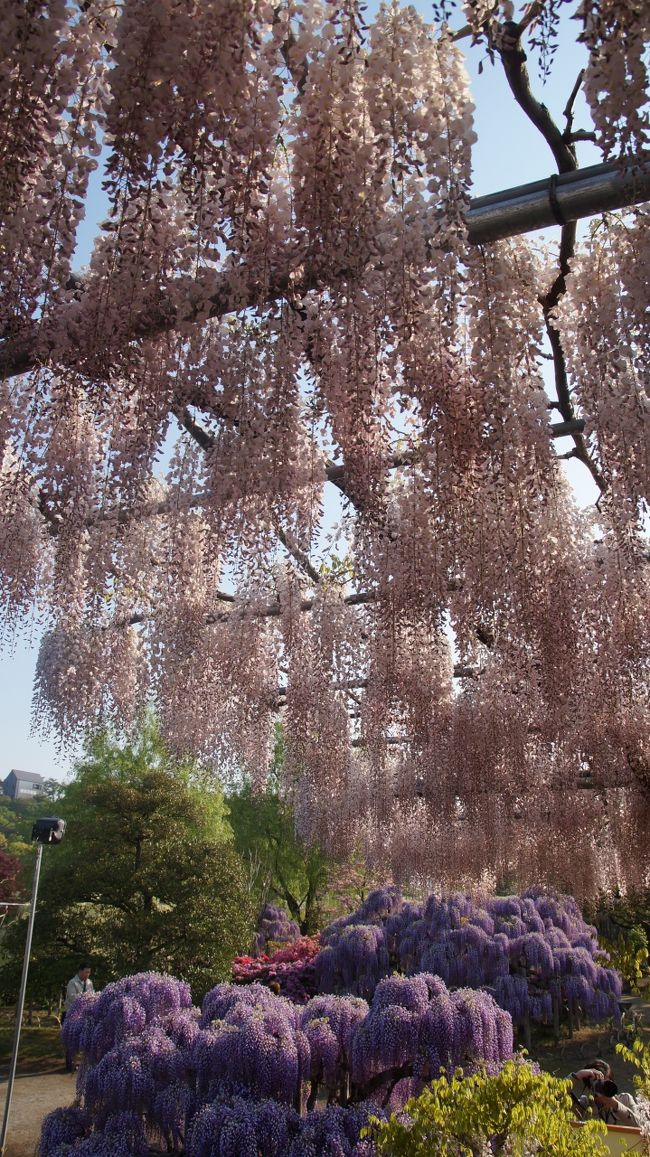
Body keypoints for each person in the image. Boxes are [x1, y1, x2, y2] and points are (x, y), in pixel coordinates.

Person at [570, 1068, 640, 1127]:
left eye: (607, 1084)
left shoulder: (625, 1099)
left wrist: (616, 1105)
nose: (604, 1089)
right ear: (590, 1088)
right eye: (600, 1084)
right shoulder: (583, 1105)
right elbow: (559, 1098)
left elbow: (640, 1126)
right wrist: (576, 1076)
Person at [62, 963, 95, 1072]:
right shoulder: (72, 982)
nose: (88, 974)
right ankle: (70, 1065)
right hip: (71, 1015)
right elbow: (73, 999)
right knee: (71, 1040)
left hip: (85, 1015)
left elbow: (93, 995)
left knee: (85, 1040)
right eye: (86, 972)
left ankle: (84, 1064)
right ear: (80, 971)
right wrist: (86, 998)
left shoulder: (89, 983)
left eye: (89, 972)